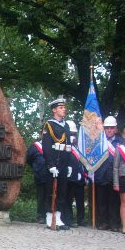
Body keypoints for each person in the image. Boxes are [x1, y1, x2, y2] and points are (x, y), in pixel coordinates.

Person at [41, 96, 71, 230]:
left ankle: (58, 218)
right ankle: (49, 217)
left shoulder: (67, 126)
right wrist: (50, 165)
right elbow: (46, 147)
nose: (63, 110)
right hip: (53, 163)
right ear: (54, 110)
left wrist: (69, 164)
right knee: (50, 191)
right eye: (61, 107)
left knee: (62, 191)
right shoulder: (49, 125)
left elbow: (68, 146)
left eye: (64, 107)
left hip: (64, 162)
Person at [92, 115, 121, 231]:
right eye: (107, 128)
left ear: (116, 129)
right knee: (101, 202)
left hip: (115, 177)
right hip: (101, 175)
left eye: (112, 128)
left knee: (114, 201)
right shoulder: (98, 142)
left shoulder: (121, 143)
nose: (109, 130)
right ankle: (103, 222)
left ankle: (114, 223)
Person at [65, 120, 87, 227]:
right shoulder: (64, 147)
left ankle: (81, 219)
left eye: (74, 134)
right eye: (71, 134)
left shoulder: (79, 147)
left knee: (80, 200)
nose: (73, 136)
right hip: (69, 178)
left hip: (79, 178)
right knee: (68, 199)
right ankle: (69, 219)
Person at [25, 140, 47, 224]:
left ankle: (50, 215)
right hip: (40, 175)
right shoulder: (35, 147)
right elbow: (28, 159)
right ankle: (41, 216)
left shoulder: (52, 144)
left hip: (51, 175)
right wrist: (36, 167)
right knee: (41, 197)